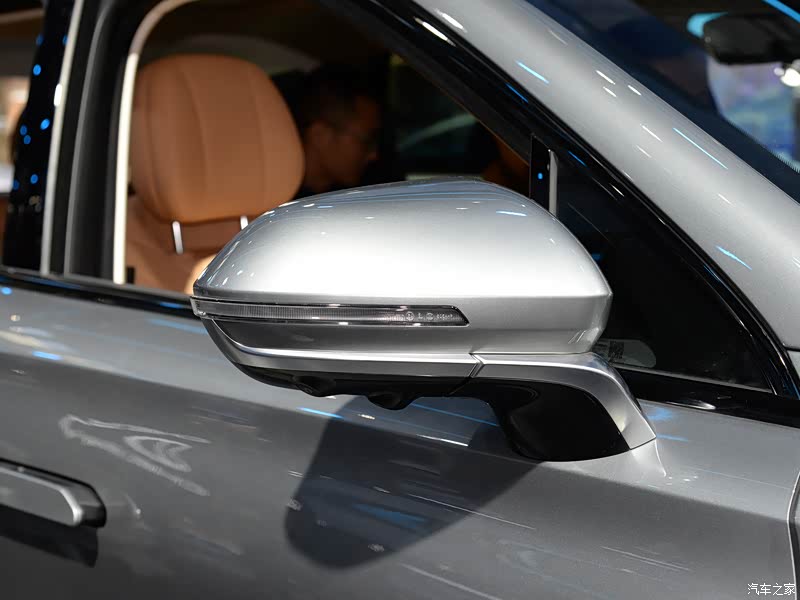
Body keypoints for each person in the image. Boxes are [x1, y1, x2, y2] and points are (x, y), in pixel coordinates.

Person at [291, 65, 381, 198]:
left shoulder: (345, 199)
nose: (373, 155)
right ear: (320, 136)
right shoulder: (279, 205)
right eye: (366, 141)